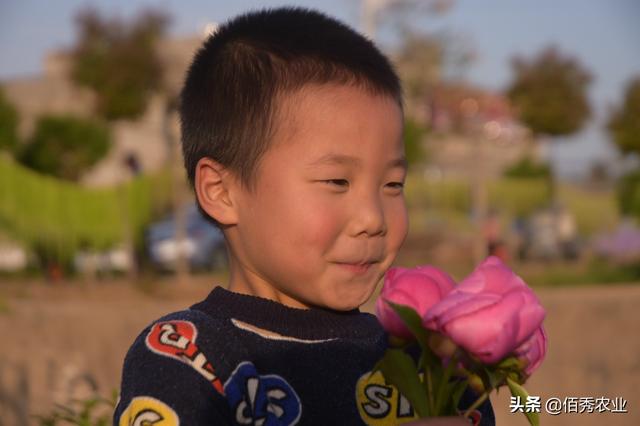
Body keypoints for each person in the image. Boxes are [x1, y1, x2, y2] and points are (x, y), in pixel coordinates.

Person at [114, 8, 494, 425]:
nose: (373, 218)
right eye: (336, 181)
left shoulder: (428, 364)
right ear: (221, 192)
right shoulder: (191, 355)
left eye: (393, 185)